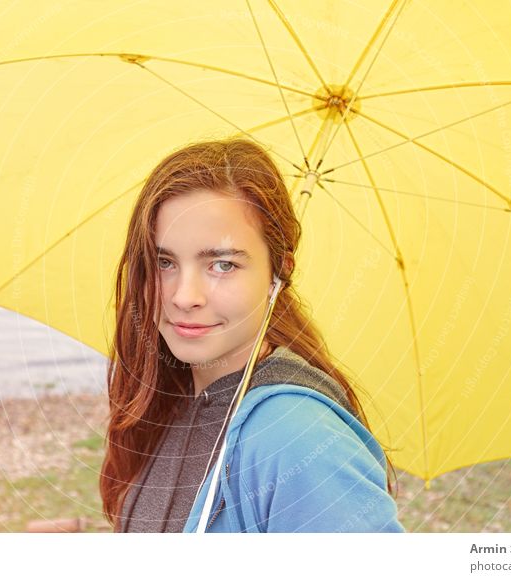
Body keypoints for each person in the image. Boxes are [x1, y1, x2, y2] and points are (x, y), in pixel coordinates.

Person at [100, 138, 404, 533]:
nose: (183, 296)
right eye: (164, 262)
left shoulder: (297, 435)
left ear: (279, 273)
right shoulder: (172, 401)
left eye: (222, 265)